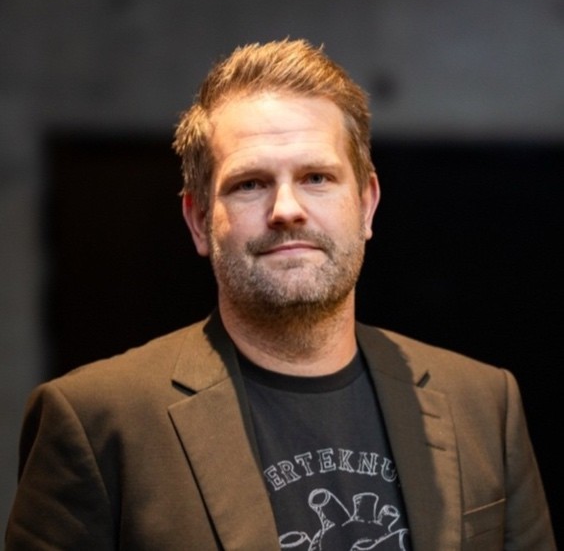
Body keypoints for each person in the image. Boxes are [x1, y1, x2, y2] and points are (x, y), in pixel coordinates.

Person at [5, 39, 555, 550]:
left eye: (317, 177)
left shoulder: (483, 404)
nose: (287, 210)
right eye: (250, 184)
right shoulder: (97, 421)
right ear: (198, 221)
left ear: (366, 205)